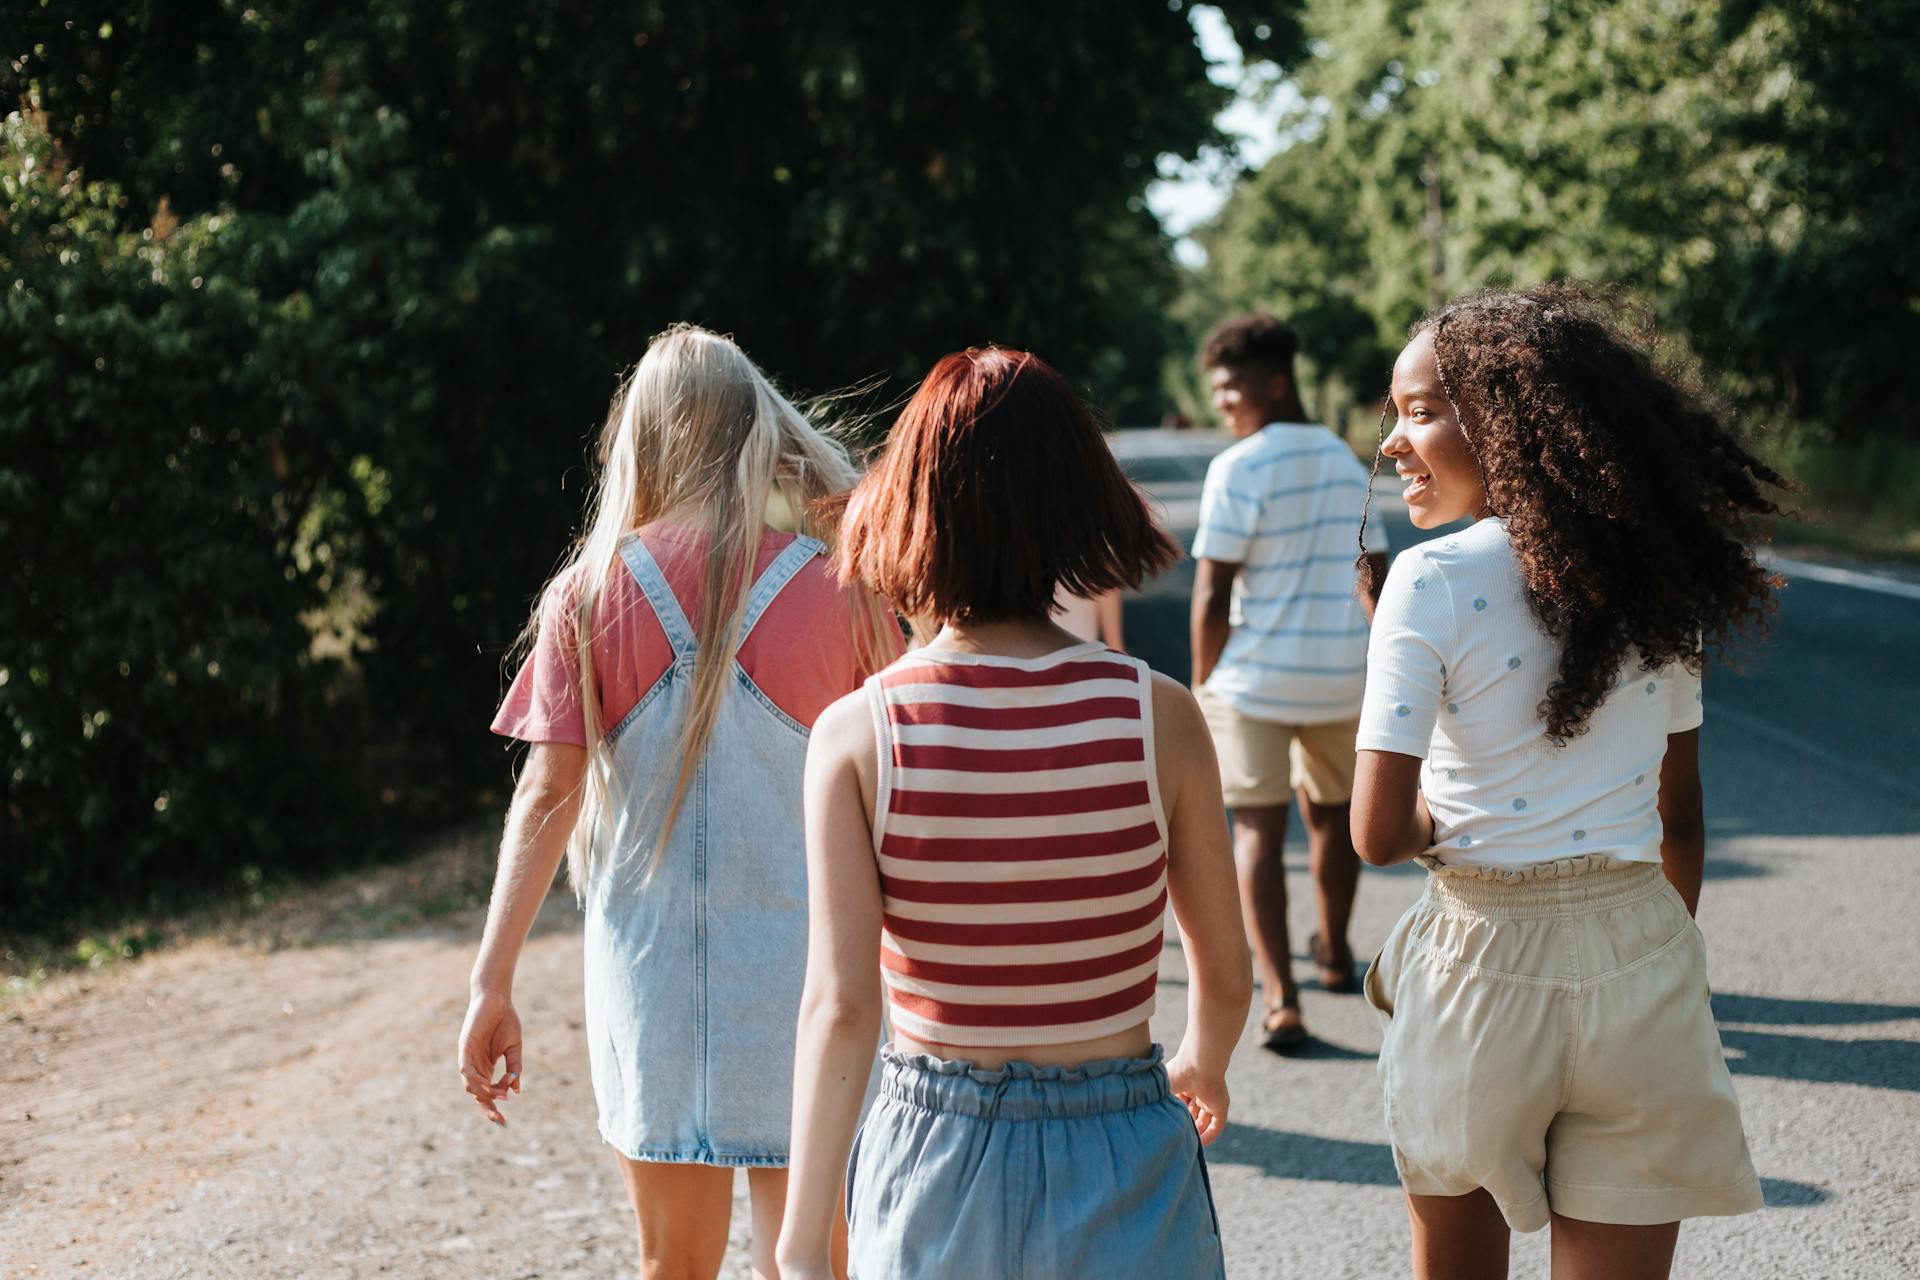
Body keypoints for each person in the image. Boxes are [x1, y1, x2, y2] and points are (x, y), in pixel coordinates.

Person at [775, 347, 1253, 1280]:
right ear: (1081, 504)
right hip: (1123, 1140)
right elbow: (1224, 972)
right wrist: (1204, 1060)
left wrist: (800, 1241)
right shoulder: (1157, 714)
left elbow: (841, 1007)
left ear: (906, 507)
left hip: (936, 1155)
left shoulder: (860, 733)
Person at [1351, 284, 1782, 1279]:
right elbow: (1680, 812)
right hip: (1642, 949)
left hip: (1479, 962)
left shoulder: (1430, 581)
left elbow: (1376, 831)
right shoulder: (1660, 585)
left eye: (1420, 411)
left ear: (1506, 422)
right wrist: (1649, 948)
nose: (1393, 443)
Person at [458, 325, 899, 1280]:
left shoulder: (588, 593)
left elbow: (547, 797)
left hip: (653, 986)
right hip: (813, 987)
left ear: (641, 437)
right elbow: (903, 793)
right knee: (817, 1259)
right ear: (755, 429)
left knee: (673, 1266)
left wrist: (491, 982)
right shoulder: (844, 591)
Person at [1189, 312, 1388, 1051]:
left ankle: (1281, 997)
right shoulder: (1345, 459)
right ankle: (1333, 949)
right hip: (1341, 674)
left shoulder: (1238, 468)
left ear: (1275, 384)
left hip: (1255, 684)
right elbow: (1376, 573)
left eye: (1231, 388)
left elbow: (1212, 595)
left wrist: (1199, 682)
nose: (1222, 403)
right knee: (1334, 817)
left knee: (1257, 831)